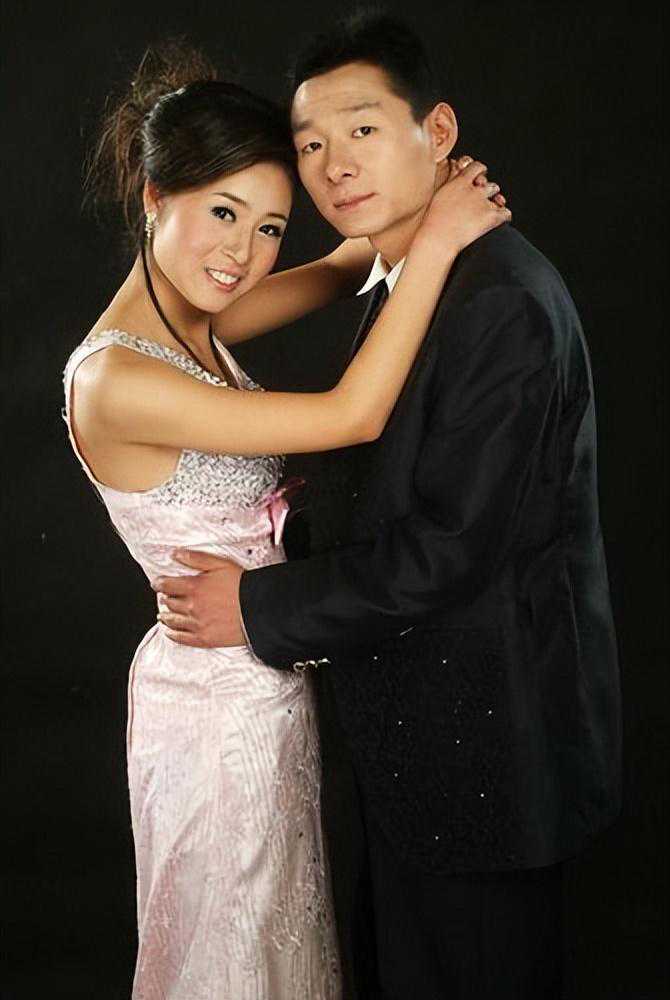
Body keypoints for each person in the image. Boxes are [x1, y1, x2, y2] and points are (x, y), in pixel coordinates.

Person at [155, 12, 622, 1000]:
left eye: (362, 129)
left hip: (485, 759)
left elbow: (450, 546)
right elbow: (388, 473)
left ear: (437, 131)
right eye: (311, 145)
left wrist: (259, 606)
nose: (334, 165)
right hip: (413, 746)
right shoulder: (407, 273)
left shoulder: (498, 300)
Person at [63, 39, 509, 1000]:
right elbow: (352, 415)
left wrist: (415, 188)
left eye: (269, 226)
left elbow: (346, 265)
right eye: (223, 213)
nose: (243, 254)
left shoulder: (194, 326)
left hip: (259, 682)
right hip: (210, 714)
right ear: (154, 198)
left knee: (278, 940)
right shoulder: (117, 379)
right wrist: (436, 246)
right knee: (231, 950)